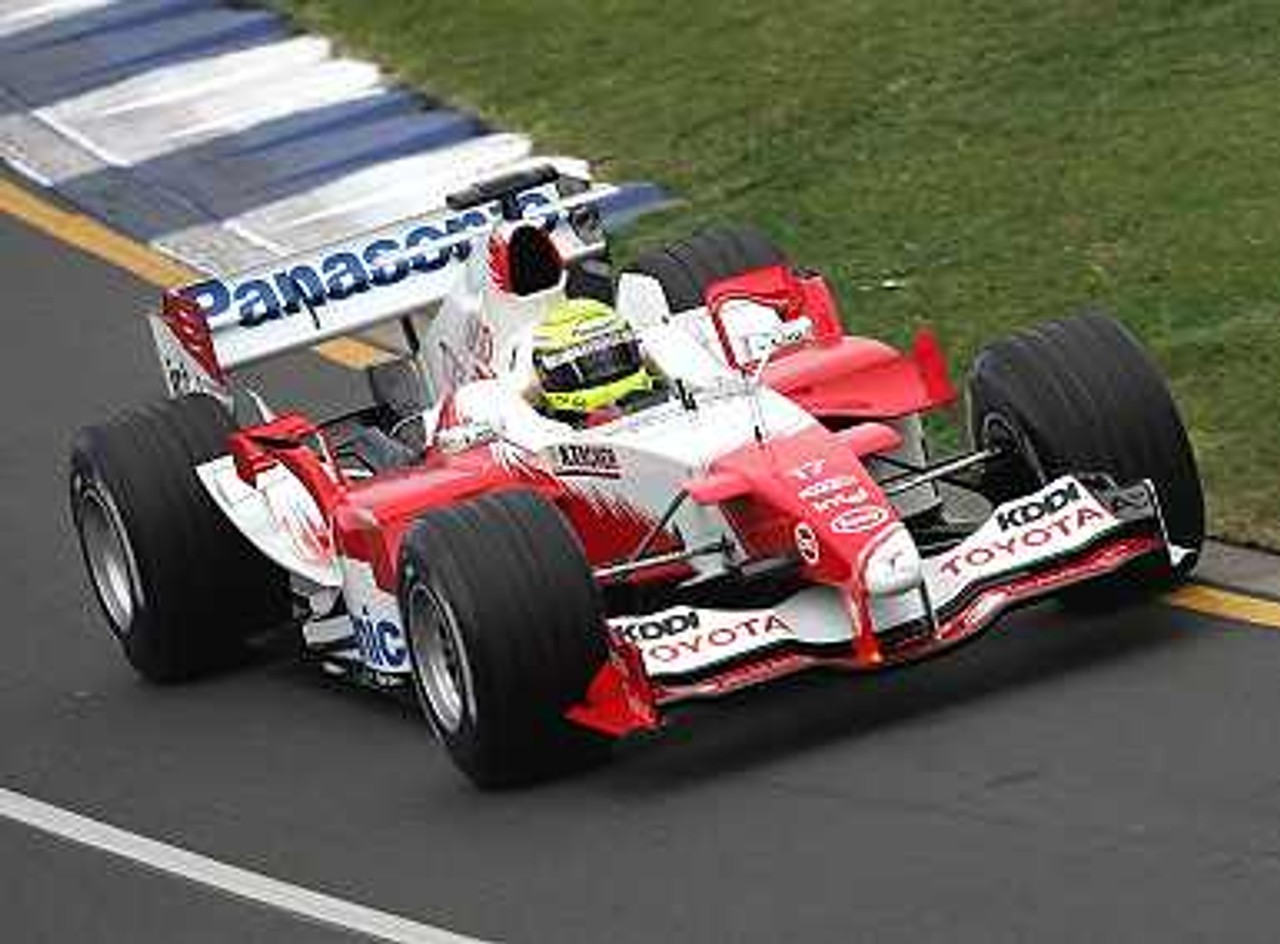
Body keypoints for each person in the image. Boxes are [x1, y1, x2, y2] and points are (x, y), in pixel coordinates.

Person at [529, 298, 663, 425]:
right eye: (592, 363)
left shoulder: (669, 393)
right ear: (547, 373)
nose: (604, 366)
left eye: (616, 355)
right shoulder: (543, 430)